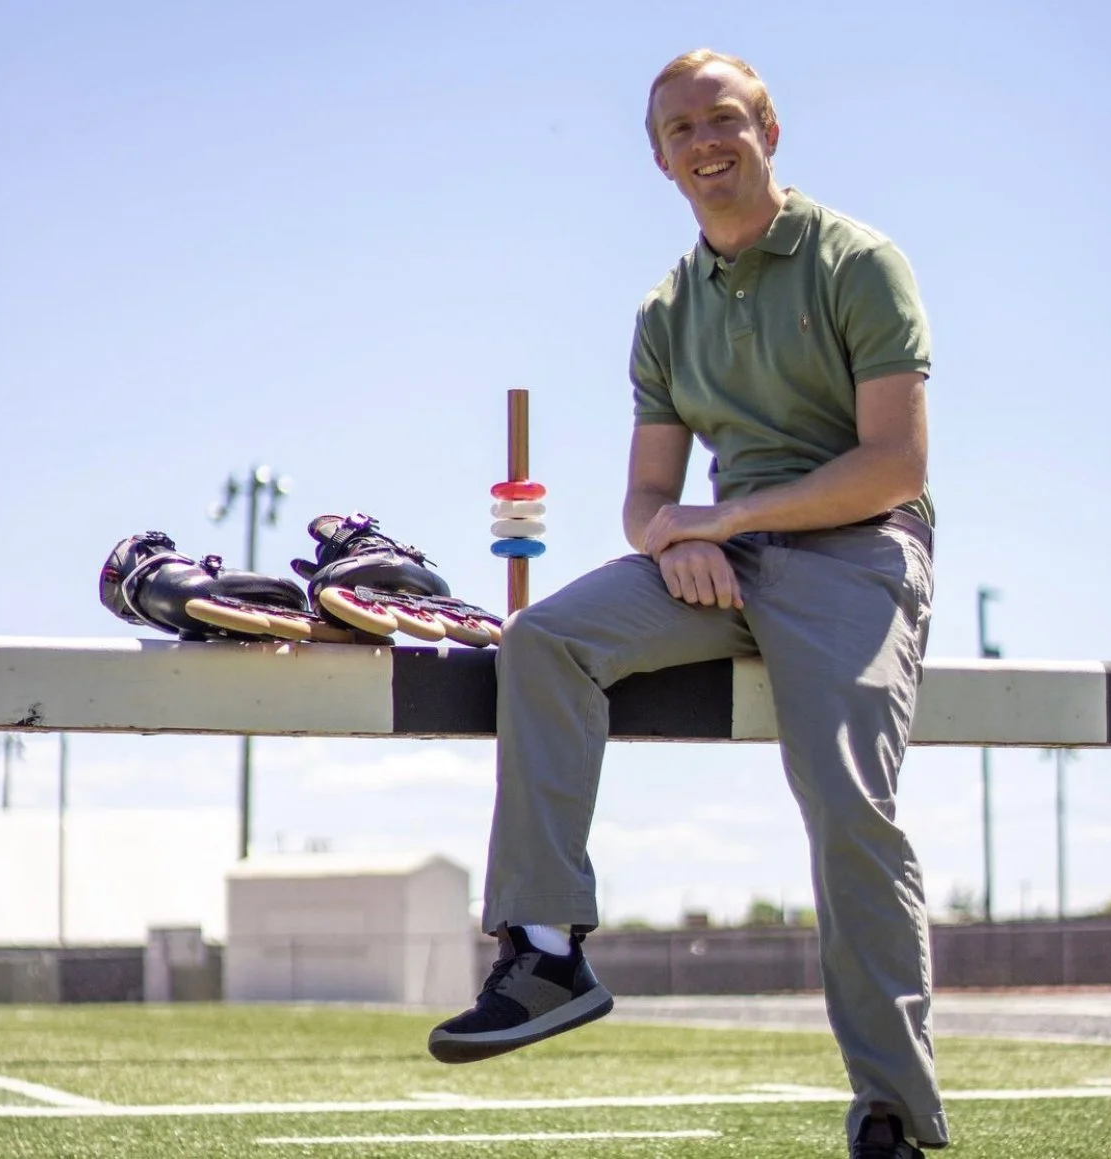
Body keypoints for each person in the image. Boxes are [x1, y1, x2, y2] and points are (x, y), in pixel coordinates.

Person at [428, 47, 948, 1158]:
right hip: (725, 556)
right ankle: (546, 952)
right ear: (659, 159)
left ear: (769, 129)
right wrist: (673, 538)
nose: (707, 143)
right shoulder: (665, 310)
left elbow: (894, 465)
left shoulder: (859, 261)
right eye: (681, 131)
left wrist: (724, 523)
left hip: (857, 553)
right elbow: (646, 499)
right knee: (545, 638)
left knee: (848, 803)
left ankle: (893, 1111)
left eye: (726, 120)